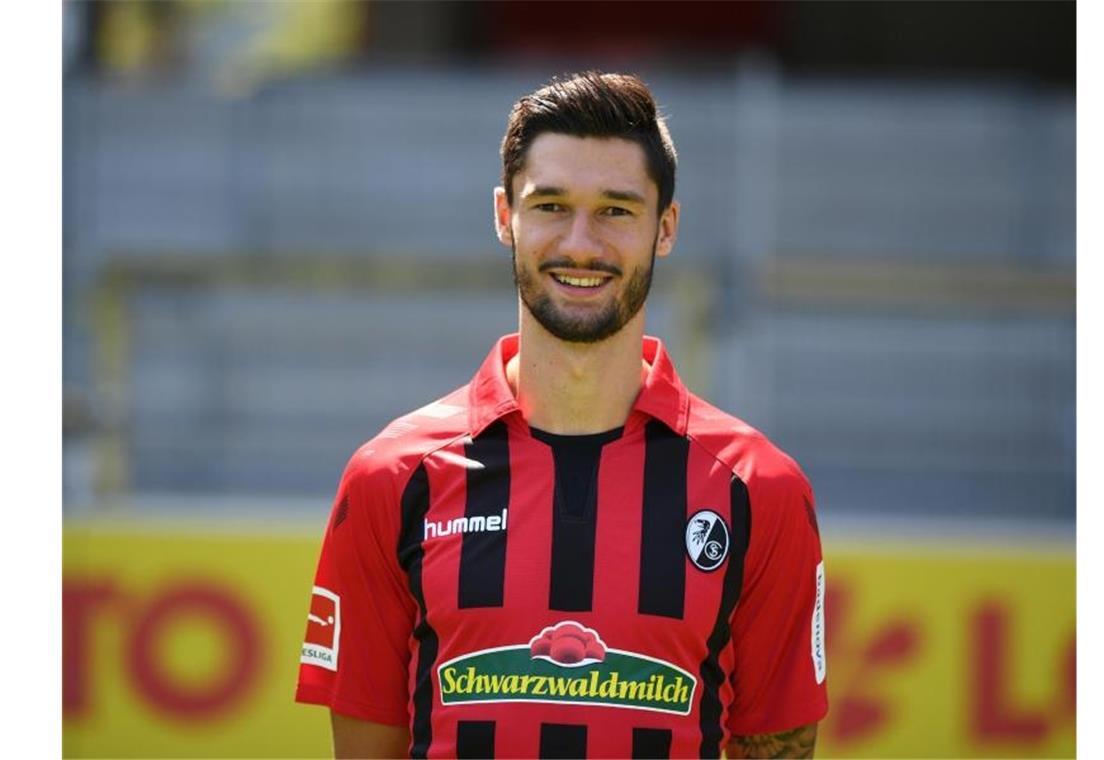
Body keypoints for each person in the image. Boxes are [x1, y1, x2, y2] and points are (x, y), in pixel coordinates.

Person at [295, 71, 828, 759]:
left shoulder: (760, 489)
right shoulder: (392, 478)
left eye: (616, 210)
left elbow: (779, 743)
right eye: (550, 205)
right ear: (503, 216)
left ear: (664, 228)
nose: (581, 244)